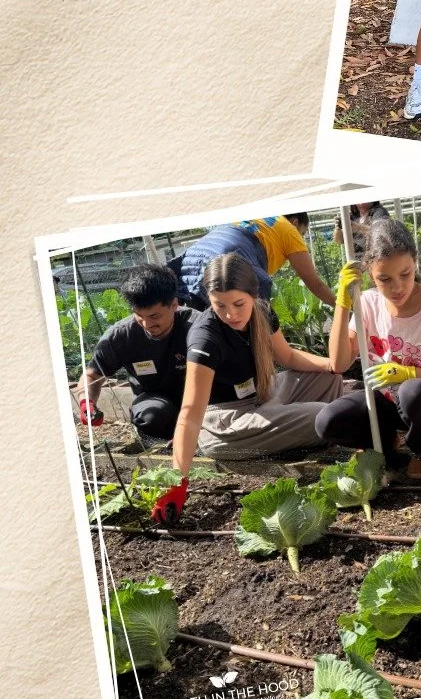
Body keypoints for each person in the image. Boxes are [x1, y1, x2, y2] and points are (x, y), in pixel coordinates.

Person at [150, 252, 346, 524]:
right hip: (227, 422)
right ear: (209, 300)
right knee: (324, 415)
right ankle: (306, 427)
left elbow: (287, 358)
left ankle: (296, 428)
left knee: (330, 380)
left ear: (254, 295)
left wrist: (333, 365)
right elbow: (191, 413)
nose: (231, 314)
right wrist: (176, 482)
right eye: (220, 306)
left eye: (239, 303)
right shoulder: (205, 338)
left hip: (263, 396)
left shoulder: (262, 311)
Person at [315, 220, 421, 479]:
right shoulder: (366, 303)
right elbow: (339, 363)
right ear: (369, 273)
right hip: (387, 403)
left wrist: (410, 373)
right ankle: (386, 441)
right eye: (384, 279)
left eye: (406, 274)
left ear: (415, 263)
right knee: (328, 421)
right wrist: (343, 303)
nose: (397, 287)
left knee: (412, 390)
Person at [74, 264, 194, 443]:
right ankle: (160, 444)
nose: (146, 324)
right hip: (156, 401)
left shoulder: (197, 326)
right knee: (151, 416)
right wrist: (87, 404)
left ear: (174, 305)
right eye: (139, 315)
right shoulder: (122, 335)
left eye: (154, 316)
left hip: (203, 399)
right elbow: (92, 375)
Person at [177, 214, 336, 309]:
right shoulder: (288, 229)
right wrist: (342, 307)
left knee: (202, 328)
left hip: (192, 260)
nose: (301, 239)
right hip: (230, 258)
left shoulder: (258, 216)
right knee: (256, 325)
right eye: (302, 233)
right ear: (295, 222)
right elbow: (315, 283)